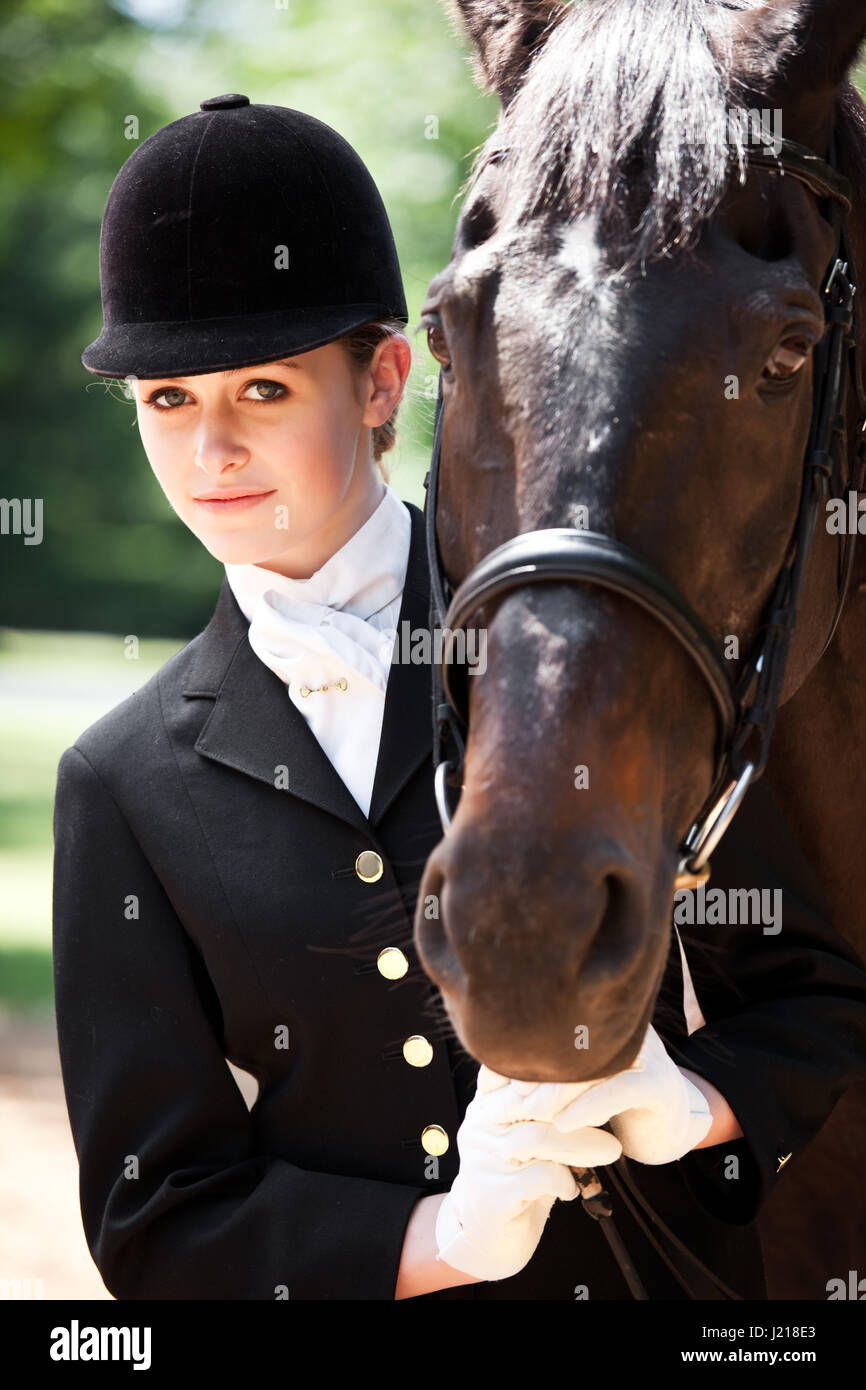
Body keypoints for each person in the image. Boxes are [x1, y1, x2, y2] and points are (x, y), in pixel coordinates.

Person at [52, 93, 866, 1301]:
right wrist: (440, 1239)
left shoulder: (602, 648)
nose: (209, 450)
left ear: (382, 378)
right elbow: (154, 1216)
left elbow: (821, 995)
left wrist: (690, 1103)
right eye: (167, 401)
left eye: (261, 390)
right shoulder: (119, 781)